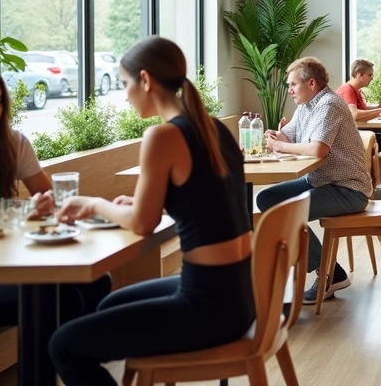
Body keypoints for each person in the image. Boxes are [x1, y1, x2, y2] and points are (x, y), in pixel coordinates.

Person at [46, 37, 253, 384]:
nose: (125, 93)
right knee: (109, 307)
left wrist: (94, 204)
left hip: (207, 305)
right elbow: (205, 206)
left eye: (126, 83)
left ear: (145, 80)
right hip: (239, 296)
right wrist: (138, 203)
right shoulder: (213, 127)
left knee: (62, 346)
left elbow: (143, 224)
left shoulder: (162, 137)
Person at [0, 59, 108, 332]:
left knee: (97, 281)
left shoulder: (12, 144)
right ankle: (69, 370)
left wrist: (41, 206)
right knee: (61, 297)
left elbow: (53, 202)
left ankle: (76, 368)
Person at [256, 57, 372, 304]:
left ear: (311, 83)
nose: (289, 91)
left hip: (348, 189)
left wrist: (281, 146)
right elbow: (292, 136)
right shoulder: (307, 105)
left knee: (284, 213)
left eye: (292, 85)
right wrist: (278, 135)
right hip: (320, 180)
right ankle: (329, 270)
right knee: (266, 199)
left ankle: (330, 273)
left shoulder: (329, 104)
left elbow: (318, 150)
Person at [335, 58, 381, 153]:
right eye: (369, 75)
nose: (372, 78)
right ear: (358, 74)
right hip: (350, 138)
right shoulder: (347, 90)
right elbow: (355, 115)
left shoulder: (355, 90)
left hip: (357, 132)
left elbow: (363, 109)